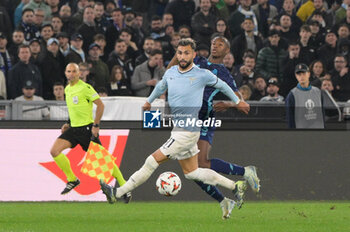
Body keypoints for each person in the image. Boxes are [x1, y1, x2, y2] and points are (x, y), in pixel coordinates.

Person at [100, 38, 250, 219]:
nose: (183, 56)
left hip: (188, 131)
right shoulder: (171, 72)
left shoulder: (202, 74)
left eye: (187, 53)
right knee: (193, 173)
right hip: (178, 128)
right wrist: (148, 102)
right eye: (180, 52)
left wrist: (237, 101)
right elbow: (161, 86)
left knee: (151, 161)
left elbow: (223, 86)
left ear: (194, 55)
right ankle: (235, 186)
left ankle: (117, 193)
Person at [49, 63, 131, 202]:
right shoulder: (67, 89)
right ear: (65, 73)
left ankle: (125, 188)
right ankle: (72, 179)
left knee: (104, 162)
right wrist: (68, 124)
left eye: (74, 71)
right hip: (73, 130)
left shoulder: (85, 88)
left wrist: (96, 125)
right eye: (69, 71)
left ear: (79, 73)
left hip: (86, 129)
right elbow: (74, 109)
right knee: (54, 151)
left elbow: (100, 105)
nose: (71, 74)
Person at [285, 63, 325, 128]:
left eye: (304, 74)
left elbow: (322, 114)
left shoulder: (318, 92)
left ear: (309, 74)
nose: (302, 77)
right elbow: (290, 119)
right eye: (299, 74)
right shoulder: (292, 95)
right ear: (296, 76)